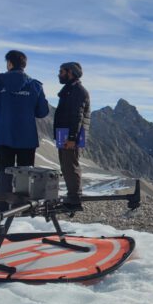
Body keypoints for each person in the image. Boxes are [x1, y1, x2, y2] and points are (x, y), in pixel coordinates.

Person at [0, 50, 49, 211]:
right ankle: (23, 206)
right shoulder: (35, 85)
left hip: (2, 135)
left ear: (9, 63)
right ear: (24, 65)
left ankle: (1, 207)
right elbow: (42, 112)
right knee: (25, 172)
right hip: (27, 137)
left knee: (4, 171)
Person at [54, 62, 90, 211]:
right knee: (66, 166)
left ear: (70, 73)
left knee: (71, 165)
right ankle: (72, 198)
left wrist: (72, 138)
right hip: (65, 133)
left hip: (69, 136)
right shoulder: (70, 89)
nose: (59, 74)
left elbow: (77, 116)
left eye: (61, 71)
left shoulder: (78, 91)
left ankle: (74, 201)